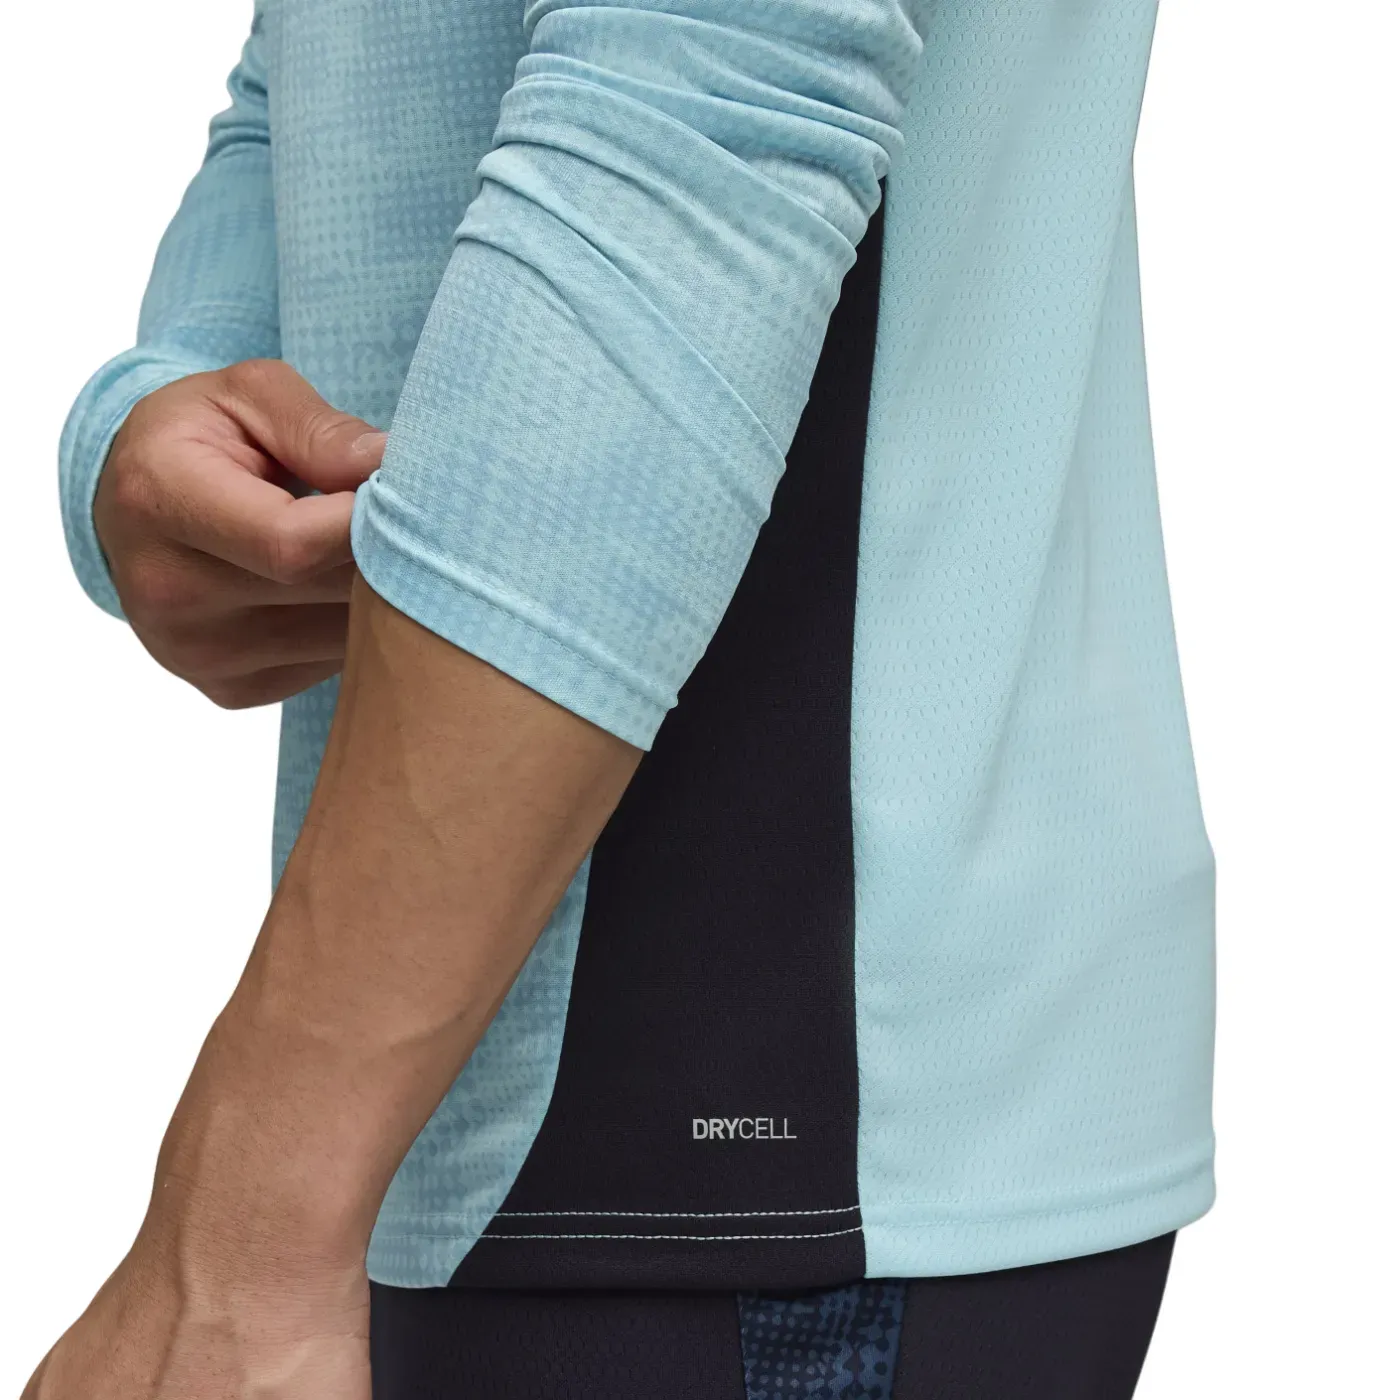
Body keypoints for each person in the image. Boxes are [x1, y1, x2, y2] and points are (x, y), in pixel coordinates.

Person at [27, 0, 1215, 1396]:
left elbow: (697, 128)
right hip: (465, 1108)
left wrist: (245, 1220)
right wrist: (178, 392)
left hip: (755, 1096)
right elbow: (321, 57)